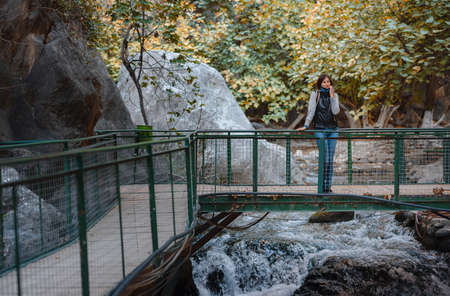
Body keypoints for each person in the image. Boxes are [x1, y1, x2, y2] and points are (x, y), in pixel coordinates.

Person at [296, 74, 340, 193]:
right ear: (320, 83)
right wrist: (306, 125)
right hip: (320, 130)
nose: (327, 84)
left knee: (330, 160)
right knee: (324, 159)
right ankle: (321, 186)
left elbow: (336, 111)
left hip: (333, 130)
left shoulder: (335, 96)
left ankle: (327, 187)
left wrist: (332, 97)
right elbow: (311, 111)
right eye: (324, 82)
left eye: (328, 82)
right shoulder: (315, 95)